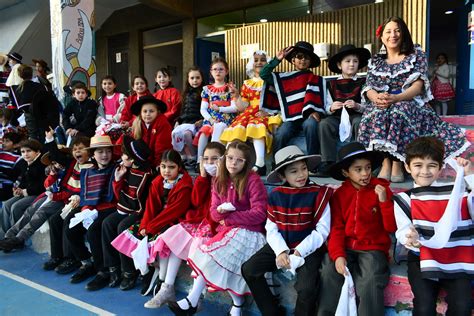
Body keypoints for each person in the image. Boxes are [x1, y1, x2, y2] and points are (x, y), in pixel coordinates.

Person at [357, 17, 469, 183]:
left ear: (403, 34)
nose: (392, 35)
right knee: (375, 112)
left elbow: (417, 86)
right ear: (382, 37)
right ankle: (385, 161)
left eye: (397, 30)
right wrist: (377, 98)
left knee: (398, 111)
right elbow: (369, 87)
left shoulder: (416, 55)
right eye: (388, 31)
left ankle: (397, 162)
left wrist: (396, 98)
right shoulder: (376, 61)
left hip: (410, 100)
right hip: (382, 101)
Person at [168, 141, 267, 316]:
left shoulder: (253, 180)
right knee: (214, 257)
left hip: (251, 233)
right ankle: (235, 305)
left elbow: (259, 213)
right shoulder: (219, 180)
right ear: (225, 158)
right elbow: (213, 213)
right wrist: (223, 215)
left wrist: (230, 218)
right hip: (229, 232)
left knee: (212, 256)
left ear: (246, 163)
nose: (233, 163)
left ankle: (194, 300)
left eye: (239, 160)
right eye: (230, 158)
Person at [242, 145, 332, 316]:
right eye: (293, 171)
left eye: (304, 168)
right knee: (250, 269)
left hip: (308, 247)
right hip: (282, 242)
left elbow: (322, 230)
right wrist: (281, 251)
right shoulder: (276, 195)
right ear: (283, 175)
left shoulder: (319, 194)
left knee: (306, 289)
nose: (301, 175)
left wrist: (299, 251)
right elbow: (271, 227)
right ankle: (272, 312)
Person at [393, 137, 473, 316]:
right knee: (423, 308)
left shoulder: (456, 193)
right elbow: (403, 229)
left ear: (441, 167)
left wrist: (470, 176)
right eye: (418, 165)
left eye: (431, 165)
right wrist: (410, 238)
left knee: (463, 307)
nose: (425, 171)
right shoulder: (404, 199)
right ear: (407, 167)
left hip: (456, 256)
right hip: (421, 258)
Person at [317, 142, 396, 316]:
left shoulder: (382, 189)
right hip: (346, 246)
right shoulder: (339, 195)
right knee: (329, 271)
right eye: (358, 169)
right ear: (346, 173)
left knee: (370, 280)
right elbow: (336, 229)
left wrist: (383, 202)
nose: (365, 173)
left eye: (368, 168)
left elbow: (391, 227)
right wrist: (338, 256)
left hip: (372, 248)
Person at [143, 142, 225, 308]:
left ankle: (196, 295)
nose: (210, 163)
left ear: (224, 160)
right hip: (198, 219)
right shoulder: (204, 178)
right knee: (174, 238)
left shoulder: (227, 179)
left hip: (216, 224)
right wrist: (202, 176)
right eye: (207, 159)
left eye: (215, 159)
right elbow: (196, 201)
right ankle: (167, 287)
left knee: (198, 245)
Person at [112, 149, 193, 292]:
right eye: (163, 166)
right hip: (156, 220)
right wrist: (144, 225)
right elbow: (150, 206)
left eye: (171, 167)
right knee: (132, 232)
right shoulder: (157, 182)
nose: (166, 171)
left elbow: (173, 212)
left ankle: (160, 278)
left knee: (160, 238)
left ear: (179, 167)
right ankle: (145, 273)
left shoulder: (184, 184)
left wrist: (150, 228)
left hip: (174, 221)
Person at [0, 131, 90, 253]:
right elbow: (47, 185)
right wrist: (53, 175)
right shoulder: (57, 169)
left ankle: (19, 239)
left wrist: (50, 139)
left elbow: (65, 190)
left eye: (81, 149)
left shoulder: (71, 166)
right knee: (28, 210)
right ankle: (10, 236)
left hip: (63, 199)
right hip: (54, 196)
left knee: (38, 212)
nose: (56, 162)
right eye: (75, 149)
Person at [63, 135, 117, 290]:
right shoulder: (88, 171)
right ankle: (87, 262)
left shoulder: (115, 169)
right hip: (92, 209)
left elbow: (114, 197)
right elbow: (85, 196)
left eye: (108, 151)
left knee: (94, 231)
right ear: (93, 154)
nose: (105, 155)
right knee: (71, 227)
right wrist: (85, 212)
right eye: (100, 152)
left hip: (110, 209)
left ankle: (103, 271)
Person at [101, 136, 155, 291]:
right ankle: (113, 267)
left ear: (133, 160)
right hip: (125, 209)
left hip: (139, 212)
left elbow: (139, 204)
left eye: (125, 155)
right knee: (107, 224)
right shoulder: (126, 170)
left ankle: (129, 272)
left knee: (122, 228)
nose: (121, 156)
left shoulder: (146, 175)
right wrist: (117, 180)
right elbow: (122, 198)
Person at [260, 41, 325, 159]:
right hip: (291, 118)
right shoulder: (284, 78)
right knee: (282, 133)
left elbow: (321, 100)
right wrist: (277, 59)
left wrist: (317, 112)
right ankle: (277, 163)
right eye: (299, 56)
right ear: (293, 60)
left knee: (311, 125)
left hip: (309, 116)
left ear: (310, 61)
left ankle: (313, 162)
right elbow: (264, 74)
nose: (303, 60)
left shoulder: (317, 79)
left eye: (306, 57)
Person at [220, 50, 281, 175]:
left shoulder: (272, 80)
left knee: (256, 124)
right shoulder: (247, 83)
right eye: (256, 60)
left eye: (263, 60)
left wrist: (268, 111)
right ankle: (227, 160)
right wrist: (236, 96)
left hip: (267, 112)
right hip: (250, 112)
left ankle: (260, 163)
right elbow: (243, 107)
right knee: (237, 126)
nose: (259, 63)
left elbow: (279, 100)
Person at [316, 44, 371, 177]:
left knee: (360, 122)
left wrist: (357, 106)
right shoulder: (331, 84)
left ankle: (361, 158)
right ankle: (327, 161)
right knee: (324, 124)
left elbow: (367, 106)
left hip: (355, 115)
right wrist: (331, 107)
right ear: (340, 65)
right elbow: (326, 106)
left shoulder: (364, 82)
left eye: (355, 61)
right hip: (337, 117)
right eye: (347, 61)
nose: (351, 64)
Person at [45, 136, 92, 274]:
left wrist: (80, 198)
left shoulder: (93, 165)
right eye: (75, 149)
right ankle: (57, 256)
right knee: (54, 220)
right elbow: (57, 157)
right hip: (69, 202)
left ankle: (71, 258)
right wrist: (50, 139)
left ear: (89, 151)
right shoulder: (73, 164)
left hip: (83, 203)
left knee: (68, 221)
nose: (77, 151)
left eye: (81, 148)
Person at [194, 57, 238, 161]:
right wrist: (210, 120)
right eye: (215, 69)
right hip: (211, 119)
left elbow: (234, 108)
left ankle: (216, 158)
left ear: (226, 71)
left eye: (221, 69)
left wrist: (220, 109)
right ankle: (200, 161)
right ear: (211, 72)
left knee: (219, 126)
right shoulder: (207, 89)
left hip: (226, 118)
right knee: (203, 133)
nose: (218, 71)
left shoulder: (230, 88)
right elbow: (203, 109)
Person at [0, 139, 45, 238]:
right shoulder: (24, 163)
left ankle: (16, 237)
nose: (25, 154)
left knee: (16, 207)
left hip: (39, 194)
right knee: (6, 205)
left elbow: (42, 186)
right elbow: (23, 180)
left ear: (37, 152)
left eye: (28, 151)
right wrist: (18, 189)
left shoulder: (42, 164)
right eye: (23, 152)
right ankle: (6, 235)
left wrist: (24, 191)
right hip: (26, 193)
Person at [171, 67, 205, 170]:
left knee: (187, 134)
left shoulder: (204, 92)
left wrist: (202, 120)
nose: (195, 80)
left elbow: (206, 109)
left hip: (196, 122)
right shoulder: (185, 94)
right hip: (185, 122)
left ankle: (193, 157)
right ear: (188, 79)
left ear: (202, 79)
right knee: (174, 133)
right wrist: (178, 120)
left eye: (197, 78)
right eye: (192, 78)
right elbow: (183, 110)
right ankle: (183, 156)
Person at [130, 96, 172, 169]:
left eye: (151, 111)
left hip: (160, 162)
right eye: (145, 111)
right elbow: (130, 142)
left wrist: (158, 164)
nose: (148, 114)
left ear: (157, 112)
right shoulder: (138, 124)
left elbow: (161, 147)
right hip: (143, 161)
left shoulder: (162, 123)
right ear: (140, 113)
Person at [0, 132, 22, 201]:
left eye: (7, 141)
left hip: (6, 187)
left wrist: (2, 169)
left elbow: (14, 176)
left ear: (16, 145)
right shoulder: (1, 153)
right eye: (3, 141)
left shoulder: (19, 158)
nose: (3, 143)